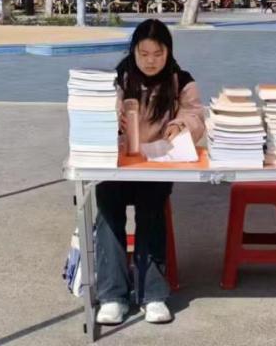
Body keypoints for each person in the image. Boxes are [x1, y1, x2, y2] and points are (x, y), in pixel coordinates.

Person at [95, 20, 204, 326]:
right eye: (144, 54)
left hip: (157, 164)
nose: (151, 61)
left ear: (168, 52)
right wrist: (112, 116)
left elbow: (195, 113)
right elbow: (102, 109)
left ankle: (153, 295)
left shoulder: (181, 81)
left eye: (158, 54)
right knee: (107, 212)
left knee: (152, 212)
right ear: (134, 52)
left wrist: (181, 125)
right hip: (120, 165)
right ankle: (112, 296)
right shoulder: (119, 78)